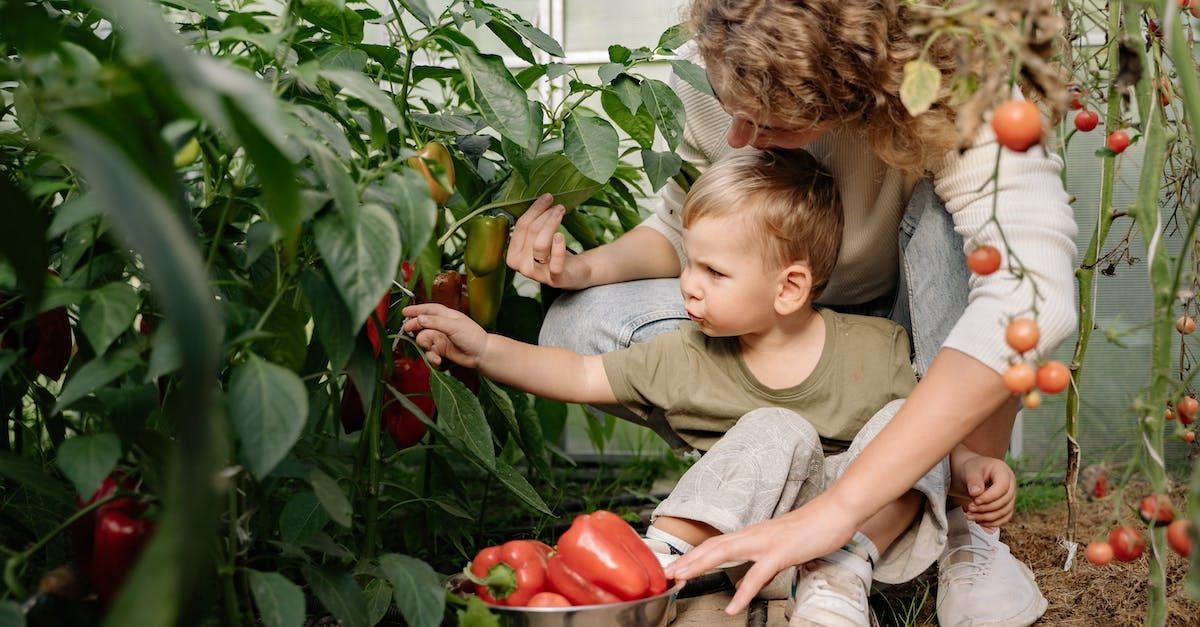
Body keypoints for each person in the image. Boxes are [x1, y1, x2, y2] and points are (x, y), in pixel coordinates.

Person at [506, 1, 1077, 625]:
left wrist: (838, 515)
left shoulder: (964, 87)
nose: (738, 141)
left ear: (855, 90)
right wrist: (582, 269)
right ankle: (777, 486)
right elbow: (684, 226)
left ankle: (955, 522)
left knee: (973, 241)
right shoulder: (721, 61)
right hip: (779, 324)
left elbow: (1030, 296)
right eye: (734, 113)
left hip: (912, 332)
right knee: (580, 324)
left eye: (771, 124)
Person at [405, 152, 1016, 625]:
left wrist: (972, 461)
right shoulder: (685, 354)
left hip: (863, 534)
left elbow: (932, 431)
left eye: (713, 272)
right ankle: (665, 560)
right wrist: (484, 348)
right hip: (751, 530)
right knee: (775, 427)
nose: (687, 287)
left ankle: (836, 579)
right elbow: (578, 373)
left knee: (904, 421)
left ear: (789, 288)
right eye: (688, 263)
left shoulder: (873, 347)